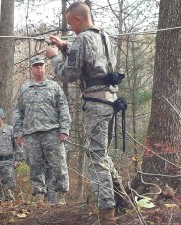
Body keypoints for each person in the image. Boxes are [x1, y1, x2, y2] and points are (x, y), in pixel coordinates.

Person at [45, 2, 127, 223]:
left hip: (96, 104)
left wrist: (54, 56)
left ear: (78, 19)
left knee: (95, 156)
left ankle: (107, 212)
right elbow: (91, 63)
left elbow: (69, 74)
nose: (71, 28)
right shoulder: (104, 36)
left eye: (71, 23)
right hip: (110, 101)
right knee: (101, 152)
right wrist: (64, 47)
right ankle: (120, 198)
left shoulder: (81, 39)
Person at [13, 56, 71, 205]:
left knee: (58, 165)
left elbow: (63, 108)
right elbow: (18, 111)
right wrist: (18, 133)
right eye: (36, 66)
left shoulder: (54, 86)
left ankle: (61, 196)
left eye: (41, 65)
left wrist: (64, 129)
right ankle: (38, 195)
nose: (39, 68)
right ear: (31, 69)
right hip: (31, 134)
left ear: (45, 68)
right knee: (35, 166)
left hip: (52, 131)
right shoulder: (25, 88)